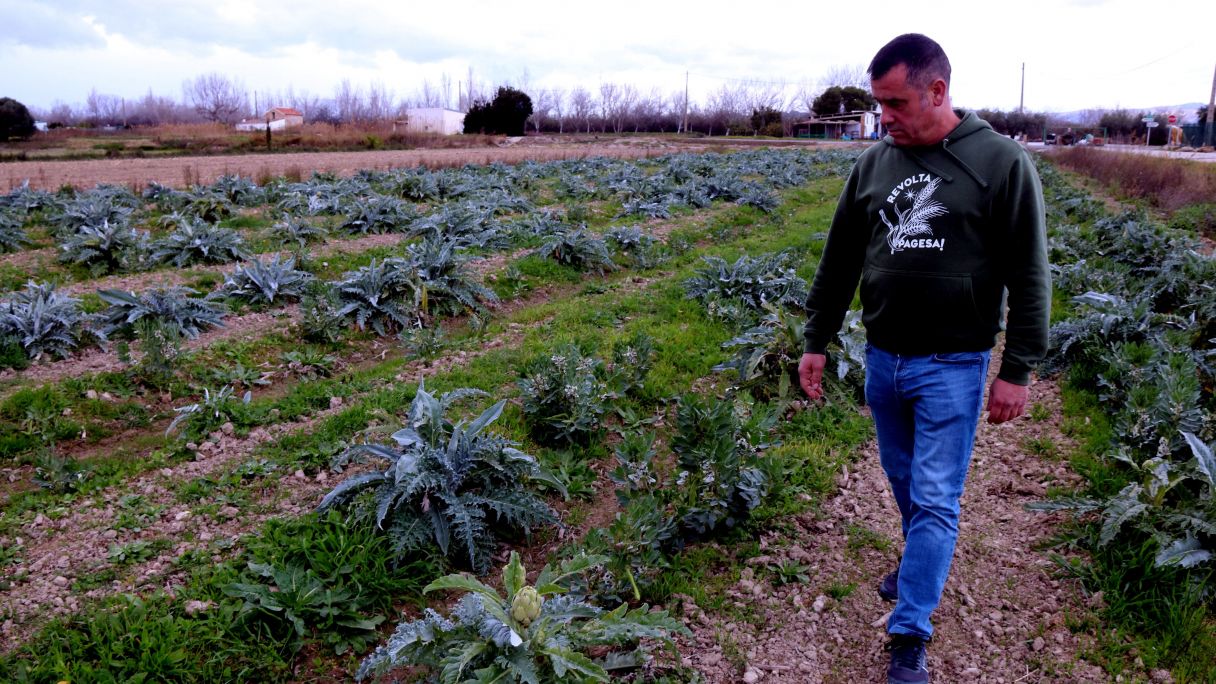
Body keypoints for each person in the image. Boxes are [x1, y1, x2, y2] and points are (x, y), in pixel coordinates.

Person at [797, 33, 1050, 684]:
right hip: (884, 361)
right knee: (906, 482)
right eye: (879, 102)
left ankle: (910, 632)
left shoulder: (999, 163)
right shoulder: (875, 164)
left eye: (896, 103)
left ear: (937, 92)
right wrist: (816, 341)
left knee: (936, 499)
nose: (884, 116)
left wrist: (1016, 369)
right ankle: (921, 565)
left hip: (954, 365)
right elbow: (839, 261)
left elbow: (1030, 274)